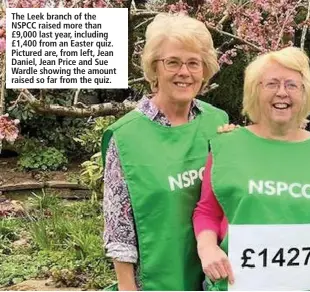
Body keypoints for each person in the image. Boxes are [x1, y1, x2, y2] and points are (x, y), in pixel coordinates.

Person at [192, 46, 310, 291]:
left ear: (305, 93)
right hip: (235, 284)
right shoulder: (227, 146)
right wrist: (207, 248)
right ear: (255, 91)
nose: (281, 93)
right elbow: (207, 210)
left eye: (291, 85)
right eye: (271, 84)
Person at [100, 13, 229, 291]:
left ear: (205, 69)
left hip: (214, 277)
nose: (184, 72)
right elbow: (118, 229)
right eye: (172, 62)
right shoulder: (126, 137)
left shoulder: (218, 123)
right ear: (153, 68)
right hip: (157, 279)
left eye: (194, 63)